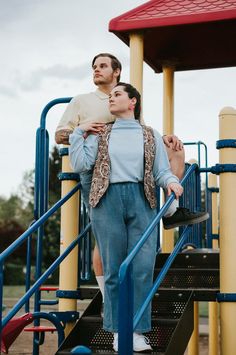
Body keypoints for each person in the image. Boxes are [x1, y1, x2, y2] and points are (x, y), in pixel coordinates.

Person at [69, 82, 209, 352]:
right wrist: (79, 133)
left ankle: (136, 331)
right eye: (110, 95)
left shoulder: (149, 134)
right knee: (113, 269)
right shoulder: (101, 133)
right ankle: (117, 331)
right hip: (106, 200)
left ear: (132, 102)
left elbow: (160, 171)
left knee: (142, 268)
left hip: (141, 198)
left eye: (117, 94)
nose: (112, 98)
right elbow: (81, 164)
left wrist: (171, 182)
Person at [55, 53, 186, 306]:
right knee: (105, 240)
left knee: (175, 148)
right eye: (94, 66)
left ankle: (170, 206)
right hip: (97, 169)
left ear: (116, 71)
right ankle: (108, 299)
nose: (96, 70)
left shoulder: (124, 98)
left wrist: (164, 139)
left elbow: (141, 134)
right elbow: (60, 134)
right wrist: (81, 130)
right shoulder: (83, 101)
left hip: (128, 170)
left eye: (102, 66)